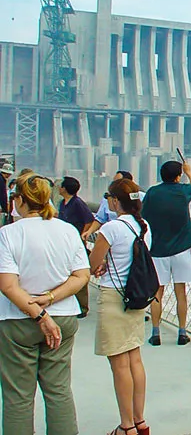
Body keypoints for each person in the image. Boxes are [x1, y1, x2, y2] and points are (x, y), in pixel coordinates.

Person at [0, 173, 90, 434]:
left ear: (20, 200)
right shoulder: (67, 230)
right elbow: (81, 276)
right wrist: (51, 299)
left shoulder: (8, 234)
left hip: (18, 321)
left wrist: (39, 315)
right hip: (63, 317)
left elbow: (7, 285)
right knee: (58, 390)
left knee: (18, 396)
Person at [88, 179, 153, 435]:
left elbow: (93, 262)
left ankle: (126, 427)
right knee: (135, 359)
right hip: (135, 297)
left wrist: (100, 264)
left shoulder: (111, 227)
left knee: (119, 364)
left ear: (115, 201)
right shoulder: (141, 225)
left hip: (114, 298)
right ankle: (140, 421)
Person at [142, 161, 191, 346]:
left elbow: (143, 213)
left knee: (157, 292)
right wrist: (189, 172)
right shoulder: (183, 191)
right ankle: (182, 333)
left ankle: (155, 332)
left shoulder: (152, 192)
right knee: (180, 292)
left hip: (158, 249)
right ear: (178, 176)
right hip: (181, 249)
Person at [57, 176, 96, 318]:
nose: (59, 188)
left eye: (61, 186)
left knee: (78, 271)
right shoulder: (63, 203)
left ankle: (82, 307)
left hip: (75, 243)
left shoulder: (78, 203)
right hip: (64, 243)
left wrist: (82, 234)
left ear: (65, 189)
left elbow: (89, 219)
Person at [82, 171, 145, 241]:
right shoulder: (108, 197)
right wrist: (89, 231)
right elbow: (100, 218)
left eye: (117, 182)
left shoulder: (140, 196)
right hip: (113, 235)